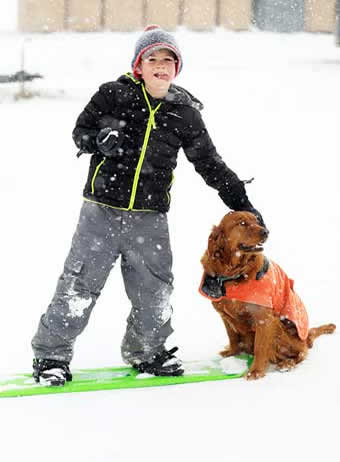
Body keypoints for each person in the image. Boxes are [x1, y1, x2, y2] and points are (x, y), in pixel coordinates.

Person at [31, 25, 265, 386]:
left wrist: (243, 203)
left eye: (168, 60)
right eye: (152, 58)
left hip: (150, 218)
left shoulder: (184, 115)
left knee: (154, 290)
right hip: (100, 211)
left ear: (177, 68)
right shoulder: (113, 95)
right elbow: (80, 132)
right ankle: (51, 356)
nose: (161, 65)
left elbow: (210, 165)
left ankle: (147, 351)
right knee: (79, 284)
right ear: (138, 65)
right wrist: (100, 140)